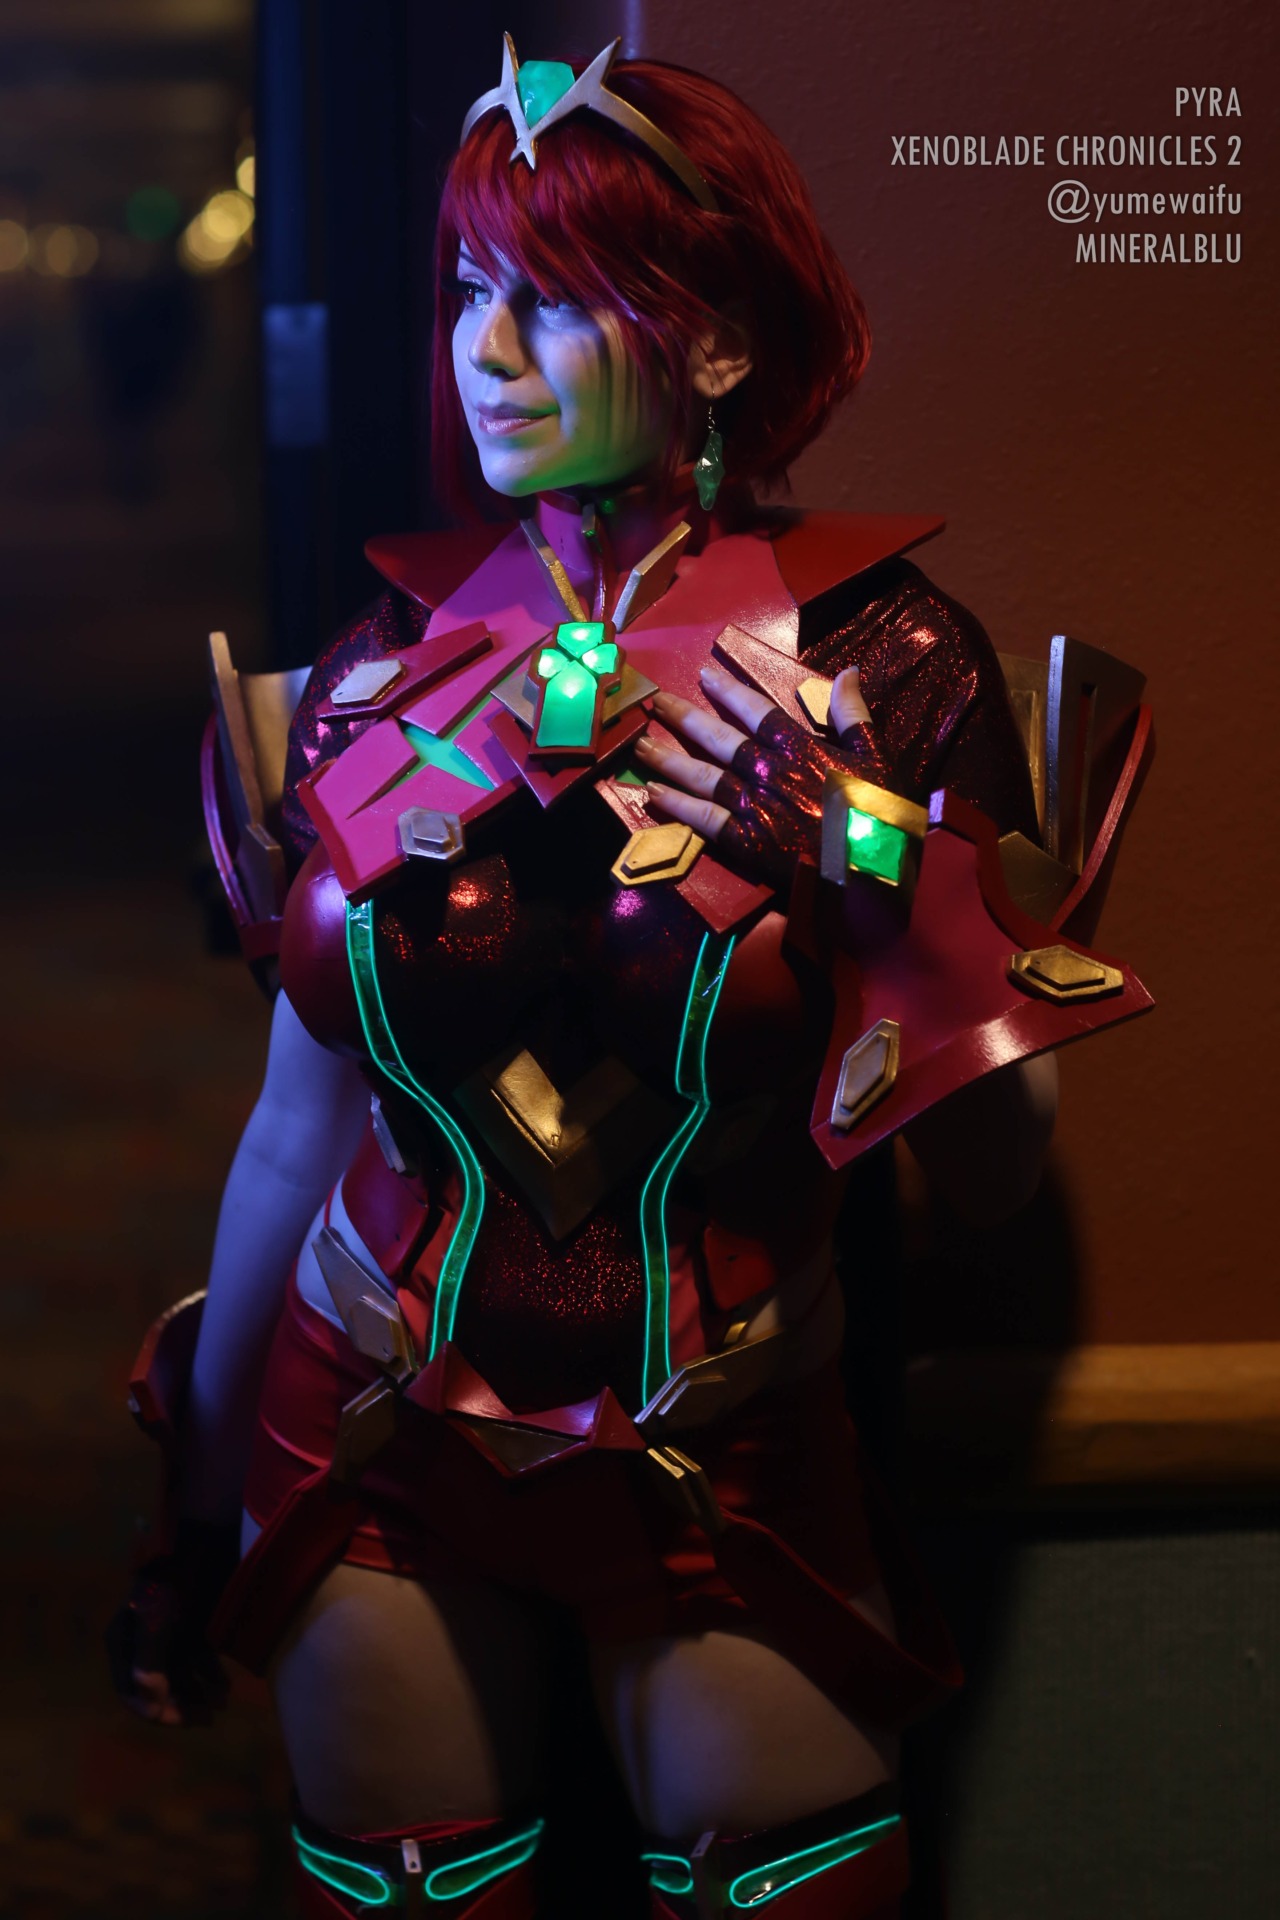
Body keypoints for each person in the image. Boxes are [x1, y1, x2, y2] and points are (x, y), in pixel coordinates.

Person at [110, 41, 1149, 1920]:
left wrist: (865, 852)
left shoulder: (885, 664)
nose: (483, 352)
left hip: (726, 1445)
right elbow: (292, 1135)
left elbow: (996, 1180)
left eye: (558, 299)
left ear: (719, 345)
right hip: (370, 1428)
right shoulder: (378, 665)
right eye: (468, 291)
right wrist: (193, 1512)